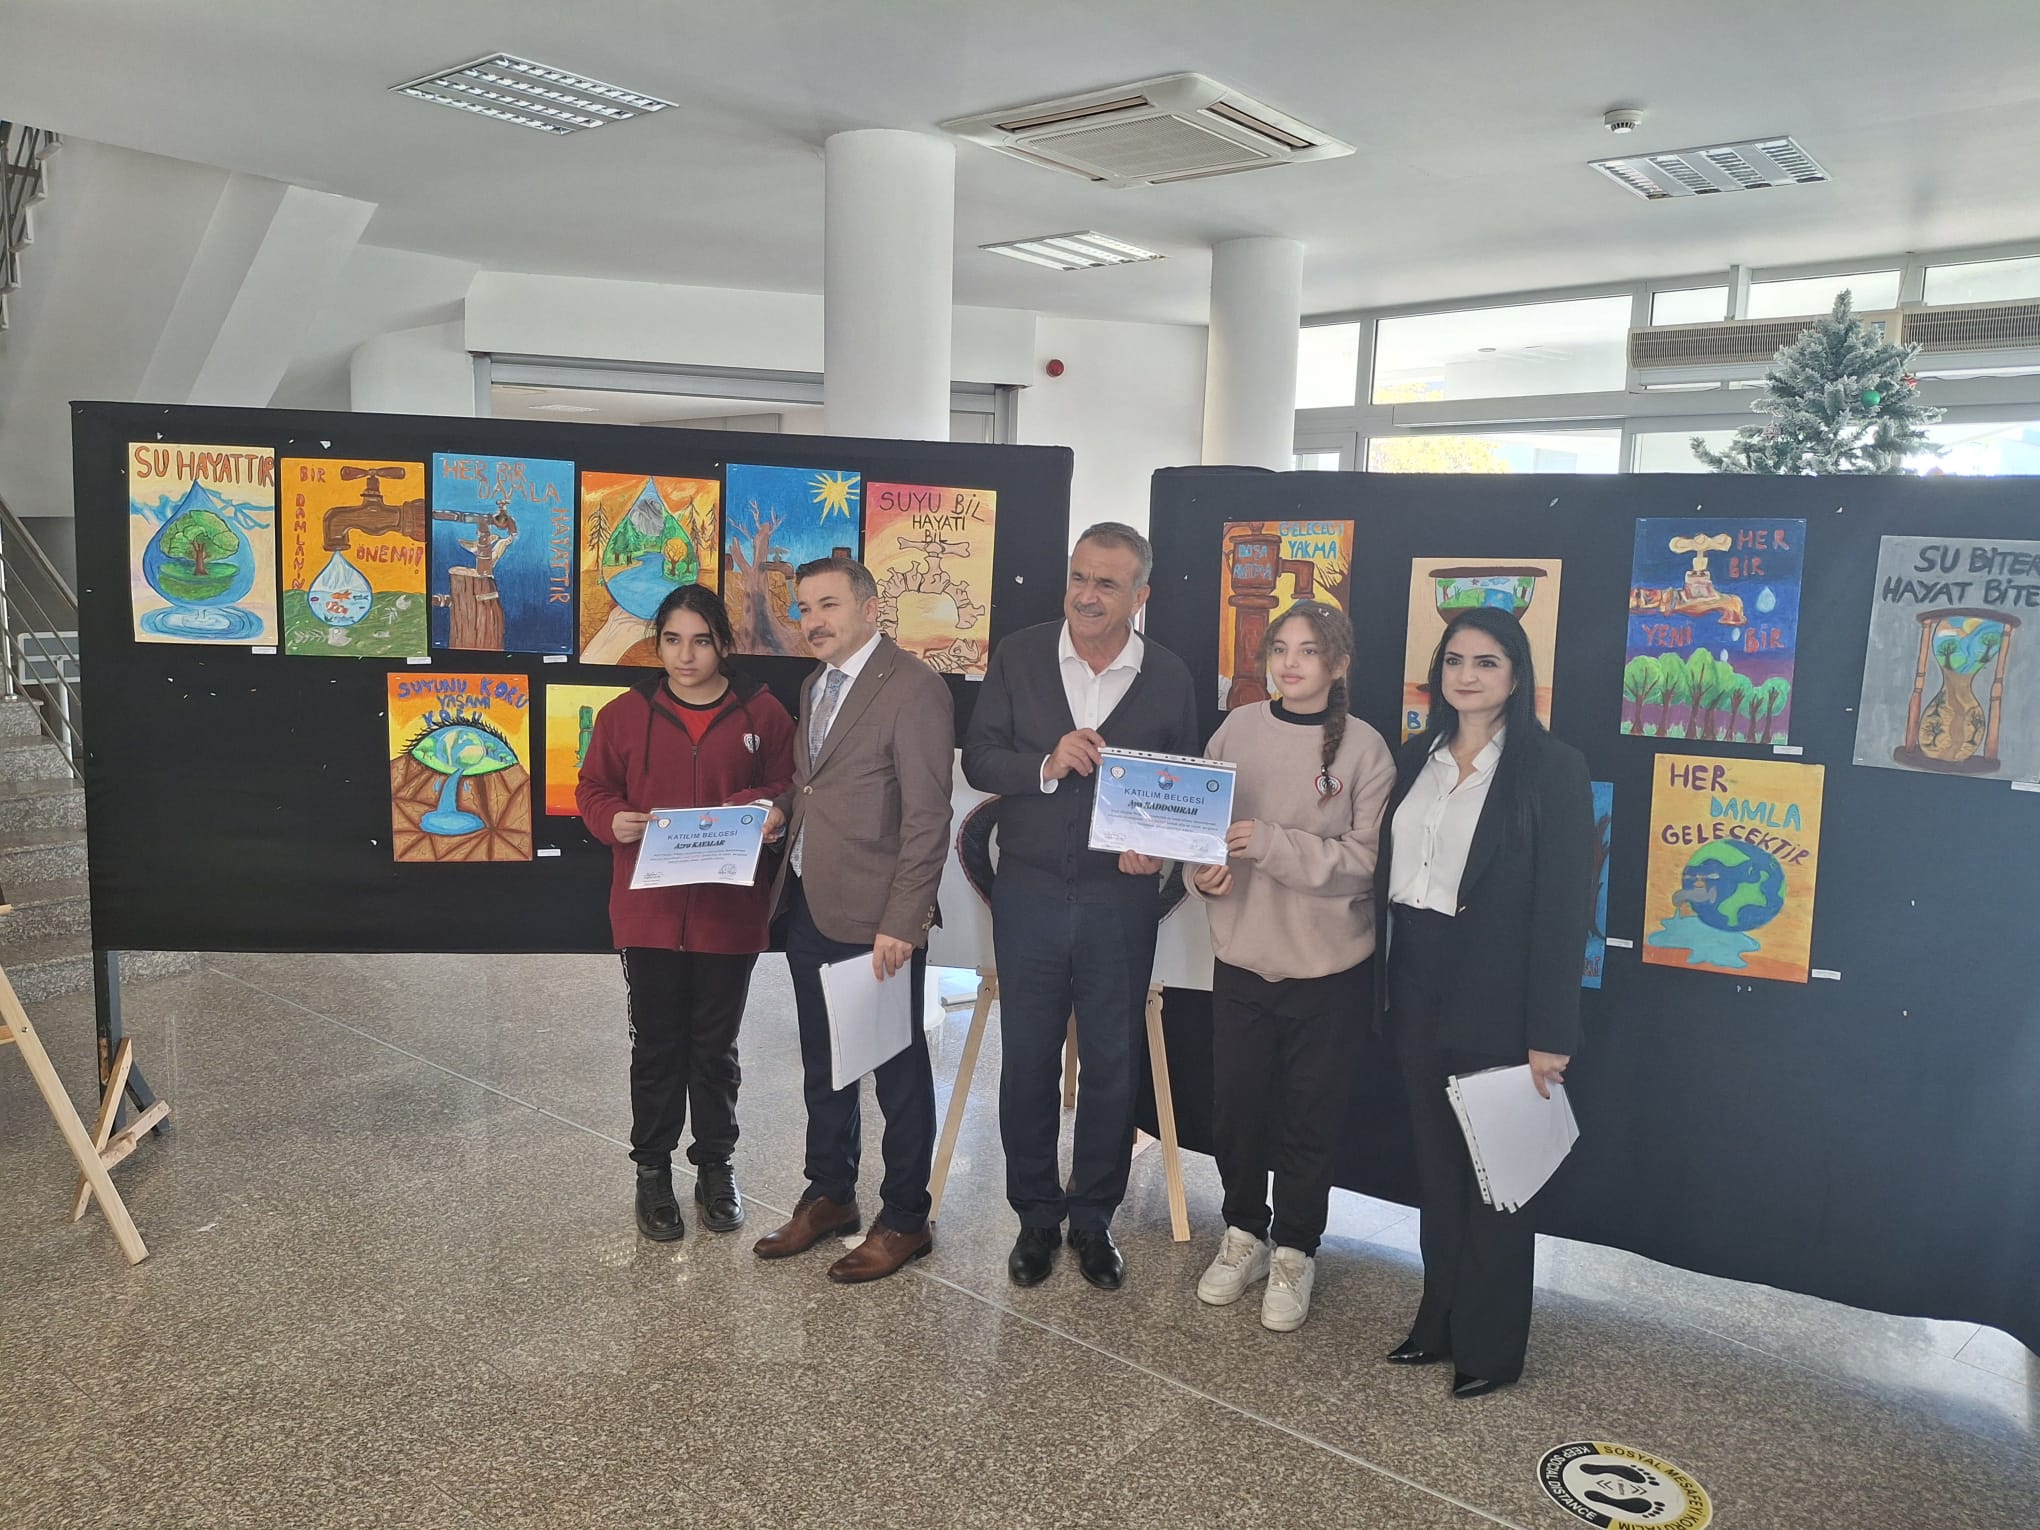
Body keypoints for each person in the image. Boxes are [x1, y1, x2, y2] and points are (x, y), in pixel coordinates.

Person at [962, 522, 1200, 1291]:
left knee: (1112, 1063)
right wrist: (1046, 761)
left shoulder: (1168, 675)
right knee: (1028, 1059)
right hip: (1028, 892)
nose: (1087, 596)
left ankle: (1094, 1219)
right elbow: (980, 756)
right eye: (1078, 577)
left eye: (1106, 583)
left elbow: (1183, 784)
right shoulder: (1020, 654)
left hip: (1118, 901)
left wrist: (1157, 847)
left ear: (1141, 595)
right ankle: (1035, 1217)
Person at [1375, 606, 1595, 1398]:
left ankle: (1490, 1348)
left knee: (1496, 1176)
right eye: (1454, 660)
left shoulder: (1552, 769)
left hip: (1500, 995)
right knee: (1436, 1170)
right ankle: (1437, 1322)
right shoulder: (1415, 757)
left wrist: (1550, 1033)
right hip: (1416, 981)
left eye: (1487, 662)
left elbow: (1565, 909)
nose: (1466, 675)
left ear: (1516, 675)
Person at [1188, 601, 1396, 1331]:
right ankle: (1243, 1233)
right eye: (1280, 648)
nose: (1290, 663)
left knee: (1312, 1117)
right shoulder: (1236, 729)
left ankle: (1297, 1249)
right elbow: (1201, 831)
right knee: (1237, 1110)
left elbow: (1366, 863)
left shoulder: (1366, 749)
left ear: (1338, 665)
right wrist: (1204, 874)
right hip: (1243, 962)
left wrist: (1273, 844)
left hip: (1330, 972)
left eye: (1308, 651)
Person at [754, 555, 954, 1284]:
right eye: (804, 607)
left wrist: (903, 919)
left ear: (870, 609)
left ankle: (905, 1218)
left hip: (879, 920)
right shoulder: (816, 684)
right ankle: (830, 1194)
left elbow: (929, 816)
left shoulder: (915, 688)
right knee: (824, 1062)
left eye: (829, 605)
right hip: (811, 900)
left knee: (897, 1073)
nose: (813, 621)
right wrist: (781, 811)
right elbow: (815, 783)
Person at [577, 584, 797, 1242]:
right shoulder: (624, 714)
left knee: (714, 1048)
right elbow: (594, 789)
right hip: (649, 914)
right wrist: (611, 819)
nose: (686, 655)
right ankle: (652, 1170)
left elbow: (789, 785)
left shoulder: (763, 713)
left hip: (729, 914)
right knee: (656, 1046)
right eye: (672, 640)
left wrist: (768, 808)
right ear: (659, 643)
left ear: (723, 643)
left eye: (701, 641)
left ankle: (715, 1166)